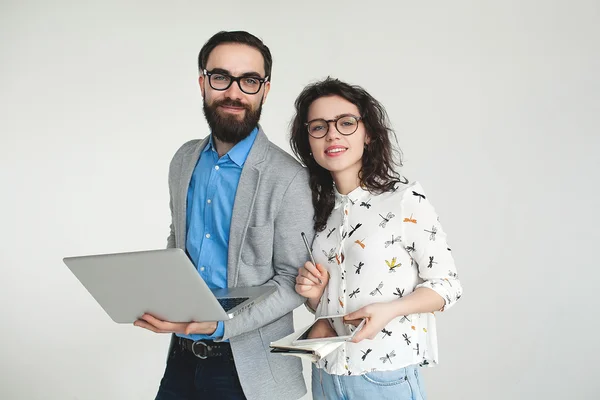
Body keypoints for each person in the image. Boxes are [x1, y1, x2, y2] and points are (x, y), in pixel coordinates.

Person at [133, 30, 314, 400]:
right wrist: (158, 297)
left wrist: (221, 326)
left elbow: (294, 282)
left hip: (250, 369)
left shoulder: (289, 177)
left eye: (249, 81)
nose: (234, 93)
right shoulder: (184, 159)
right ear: (203, 83)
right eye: (221, 77)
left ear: (265, 89)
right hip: (182, 357)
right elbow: (177, 243)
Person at [289, 77, 463, 400]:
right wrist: (314, 296)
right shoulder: (318, 214)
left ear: (367, 133)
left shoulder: (403, 200)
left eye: (346, 123)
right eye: (318, 127)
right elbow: (331, 305)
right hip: (326, 377)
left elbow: (448, 285)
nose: (332, 135)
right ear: (309, 141)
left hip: (385, 380)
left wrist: (390, 310)